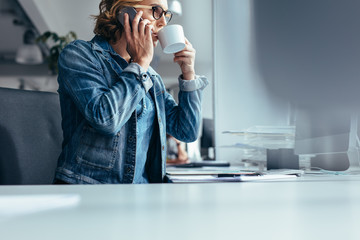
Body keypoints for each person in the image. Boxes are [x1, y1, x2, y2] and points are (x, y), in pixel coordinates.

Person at [53, 0, 208, 184]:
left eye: (166, 15)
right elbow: (107, 120)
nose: (163, 23)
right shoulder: (79, 55)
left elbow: (186, 131)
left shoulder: (151, 77)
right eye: (156, 11)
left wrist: (188, 72)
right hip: (88, 190)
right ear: (125, 12)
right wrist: (141, 63)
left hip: (140, 194)